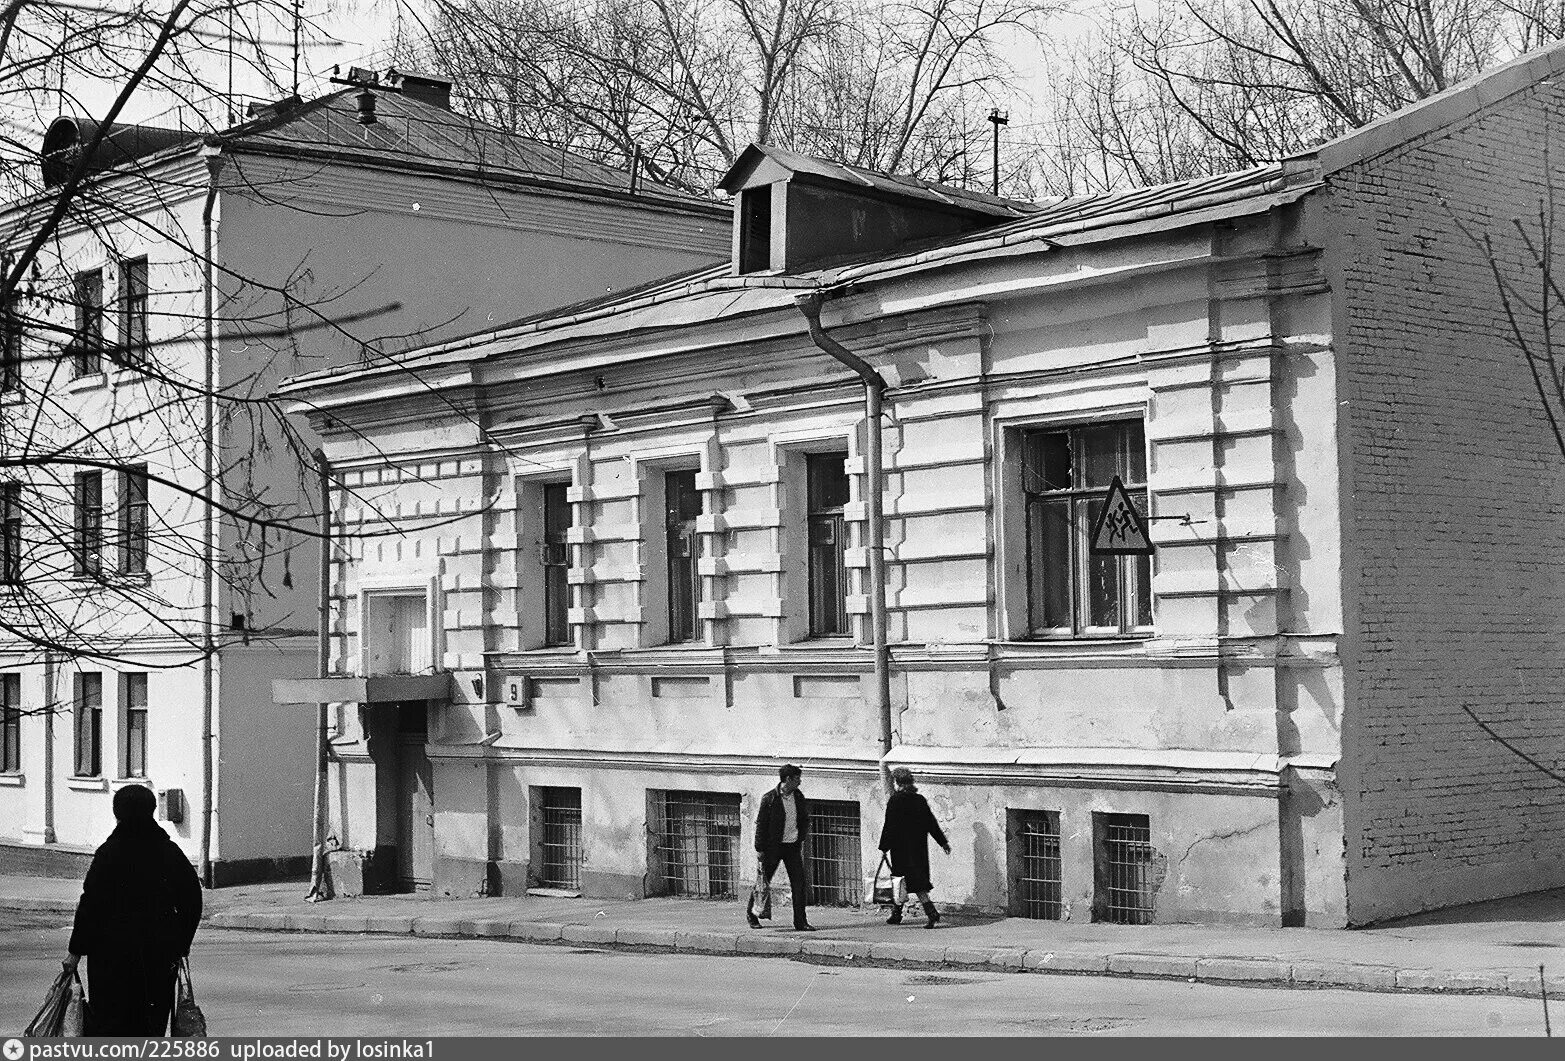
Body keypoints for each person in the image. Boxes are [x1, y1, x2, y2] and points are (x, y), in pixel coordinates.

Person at [65, 783, 203, 1035]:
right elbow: (192, 900)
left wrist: (75, 952)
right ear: (151, 811)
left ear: (118, 814)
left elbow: (90, 907)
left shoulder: (109, 854)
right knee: (151, 1024)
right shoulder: (169, 852)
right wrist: (181, 944)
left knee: (112, 1025)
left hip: (110, 960)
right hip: (158, 957)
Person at [878, 766, 951, 928]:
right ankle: (898, 915)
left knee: (901, 882)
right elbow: (931, 822)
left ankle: (930, 914)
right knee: (917, 882)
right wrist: (942, 842)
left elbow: (889, 826)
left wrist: (884, 847)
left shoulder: (895, 801)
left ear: (897, 783)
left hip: (901, 850)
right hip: (918, 850)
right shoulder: (919, 800)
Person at [747, 763, 815, 931]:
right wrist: (760, 849)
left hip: (792, 846)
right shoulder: (770, 798)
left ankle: (800, 922)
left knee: (799, 883)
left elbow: (804, 819)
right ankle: (752, 915)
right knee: (763, 882)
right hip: (773, 847)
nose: (800, 782)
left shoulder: (798, 797)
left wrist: (801, 837)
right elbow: (761, 825)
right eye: (797, 778)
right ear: (788, 779)